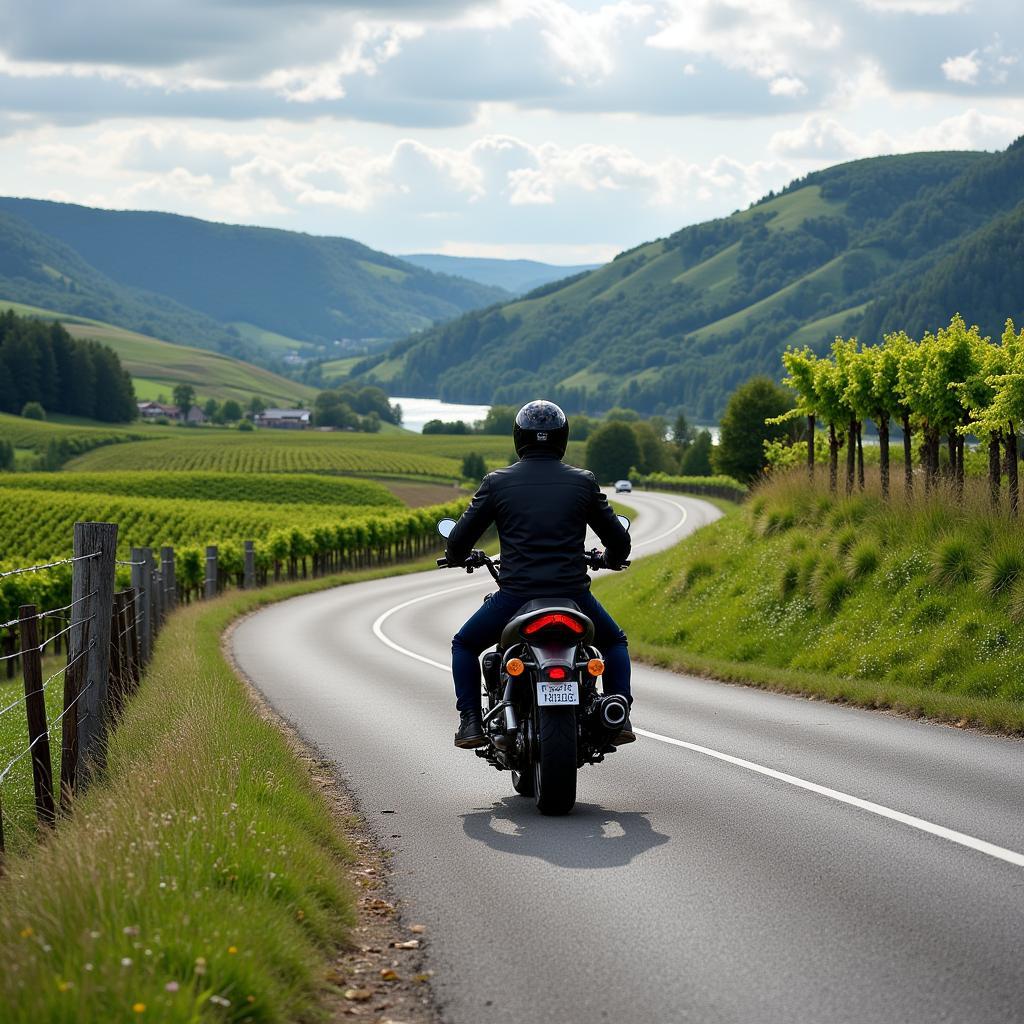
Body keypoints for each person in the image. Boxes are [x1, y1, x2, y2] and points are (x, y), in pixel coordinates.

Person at [444, 399, 635, 750]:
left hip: (515, 597)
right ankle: (618, 711)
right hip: (574, 597)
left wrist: (457, 556)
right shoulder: (583, 482)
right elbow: (619, 542)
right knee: (613, 642)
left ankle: (470, 721)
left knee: (465, 644)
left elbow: (458, 540)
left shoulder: (497, 483)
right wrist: (609, 558)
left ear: (519, 438)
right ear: (562, 438)